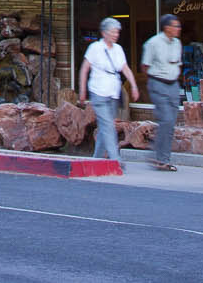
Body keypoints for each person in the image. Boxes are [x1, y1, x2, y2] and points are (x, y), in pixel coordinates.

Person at [78, 17, 138, 165]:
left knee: (106, 126)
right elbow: (84, 69)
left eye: (117, 32)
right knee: (108, 125)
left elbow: (125, 68)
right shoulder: (95, 48)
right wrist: (82, 90)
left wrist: (134, 85)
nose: (115, 35)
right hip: (98, 90)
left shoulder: (118, 49)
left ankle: (96, 160)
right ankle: (115, 159)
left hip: (113, 91)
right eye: (113, 32)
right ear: (104, 33)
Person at [141, 14, 184, 171]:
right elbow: (145, 66)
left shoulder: (177, 43)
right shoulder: (153, 43)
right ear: (167, 27)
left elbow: (177, 63)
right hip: (158, 83)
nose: (178, 29)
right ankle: (161, 158)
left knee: (171, 123)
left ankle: (161, 157)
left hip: (173, 84)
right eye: (175, 26)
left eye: (179, 26)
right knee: (165, 119)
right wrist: (152, 83)